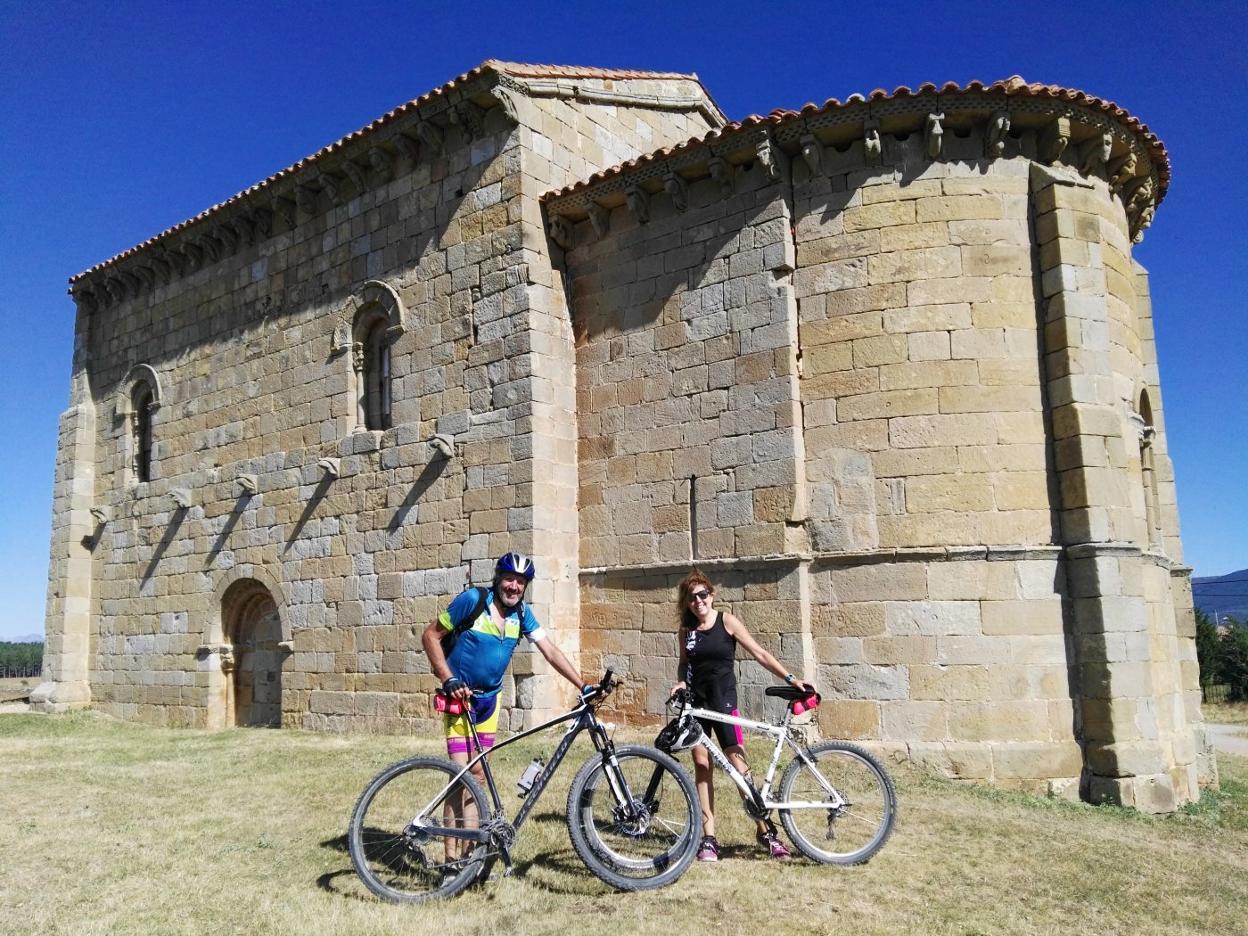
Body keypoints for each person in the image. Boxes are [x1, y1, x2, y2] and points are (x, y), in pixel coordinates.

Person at [670, 570, 815, 862]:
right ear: (686, 602)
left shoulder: (727, 621)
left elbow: (759, 653)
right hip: (696, 706)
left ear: (711, 595)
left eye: (703, 595)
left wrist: (790, 678)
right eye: (692, 597)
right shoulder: (686, 632)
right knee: (702, 766)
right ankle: (709, 838)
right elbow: (683, 664)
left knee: (739, 767)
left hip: (724, 703)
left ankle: (766, 832)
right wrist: (682, 682)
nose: (698, 601)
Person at [423, 552, 594, 774]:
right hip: (461, 697)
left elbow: (550, 651)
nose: (514, 586)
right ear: (498, 579)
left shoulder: (521, 613)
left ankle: (480, 810)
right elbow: (430, 636)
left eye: (521, 581)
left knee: (479, 773)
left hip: (490, 700)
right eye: (509, 579)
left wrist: (583, 685)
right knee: (460, 774)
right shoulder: (473, 600)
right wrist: (449, 679)